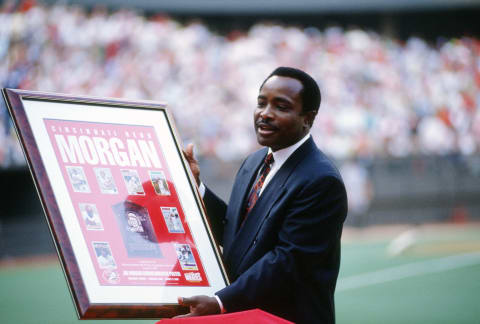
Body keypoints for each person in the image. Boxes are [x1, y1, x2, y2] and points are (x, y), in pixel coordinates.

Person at [179, 67, 348, 323]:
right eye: (261, 103)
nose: (265, 114)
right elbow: (236, 234)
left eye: (281, 106)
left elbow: (287, 262)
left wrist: (221, 302)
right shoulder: (254, 161)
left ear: (308, 118)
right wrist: (197, 188)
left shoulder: (320, 180)